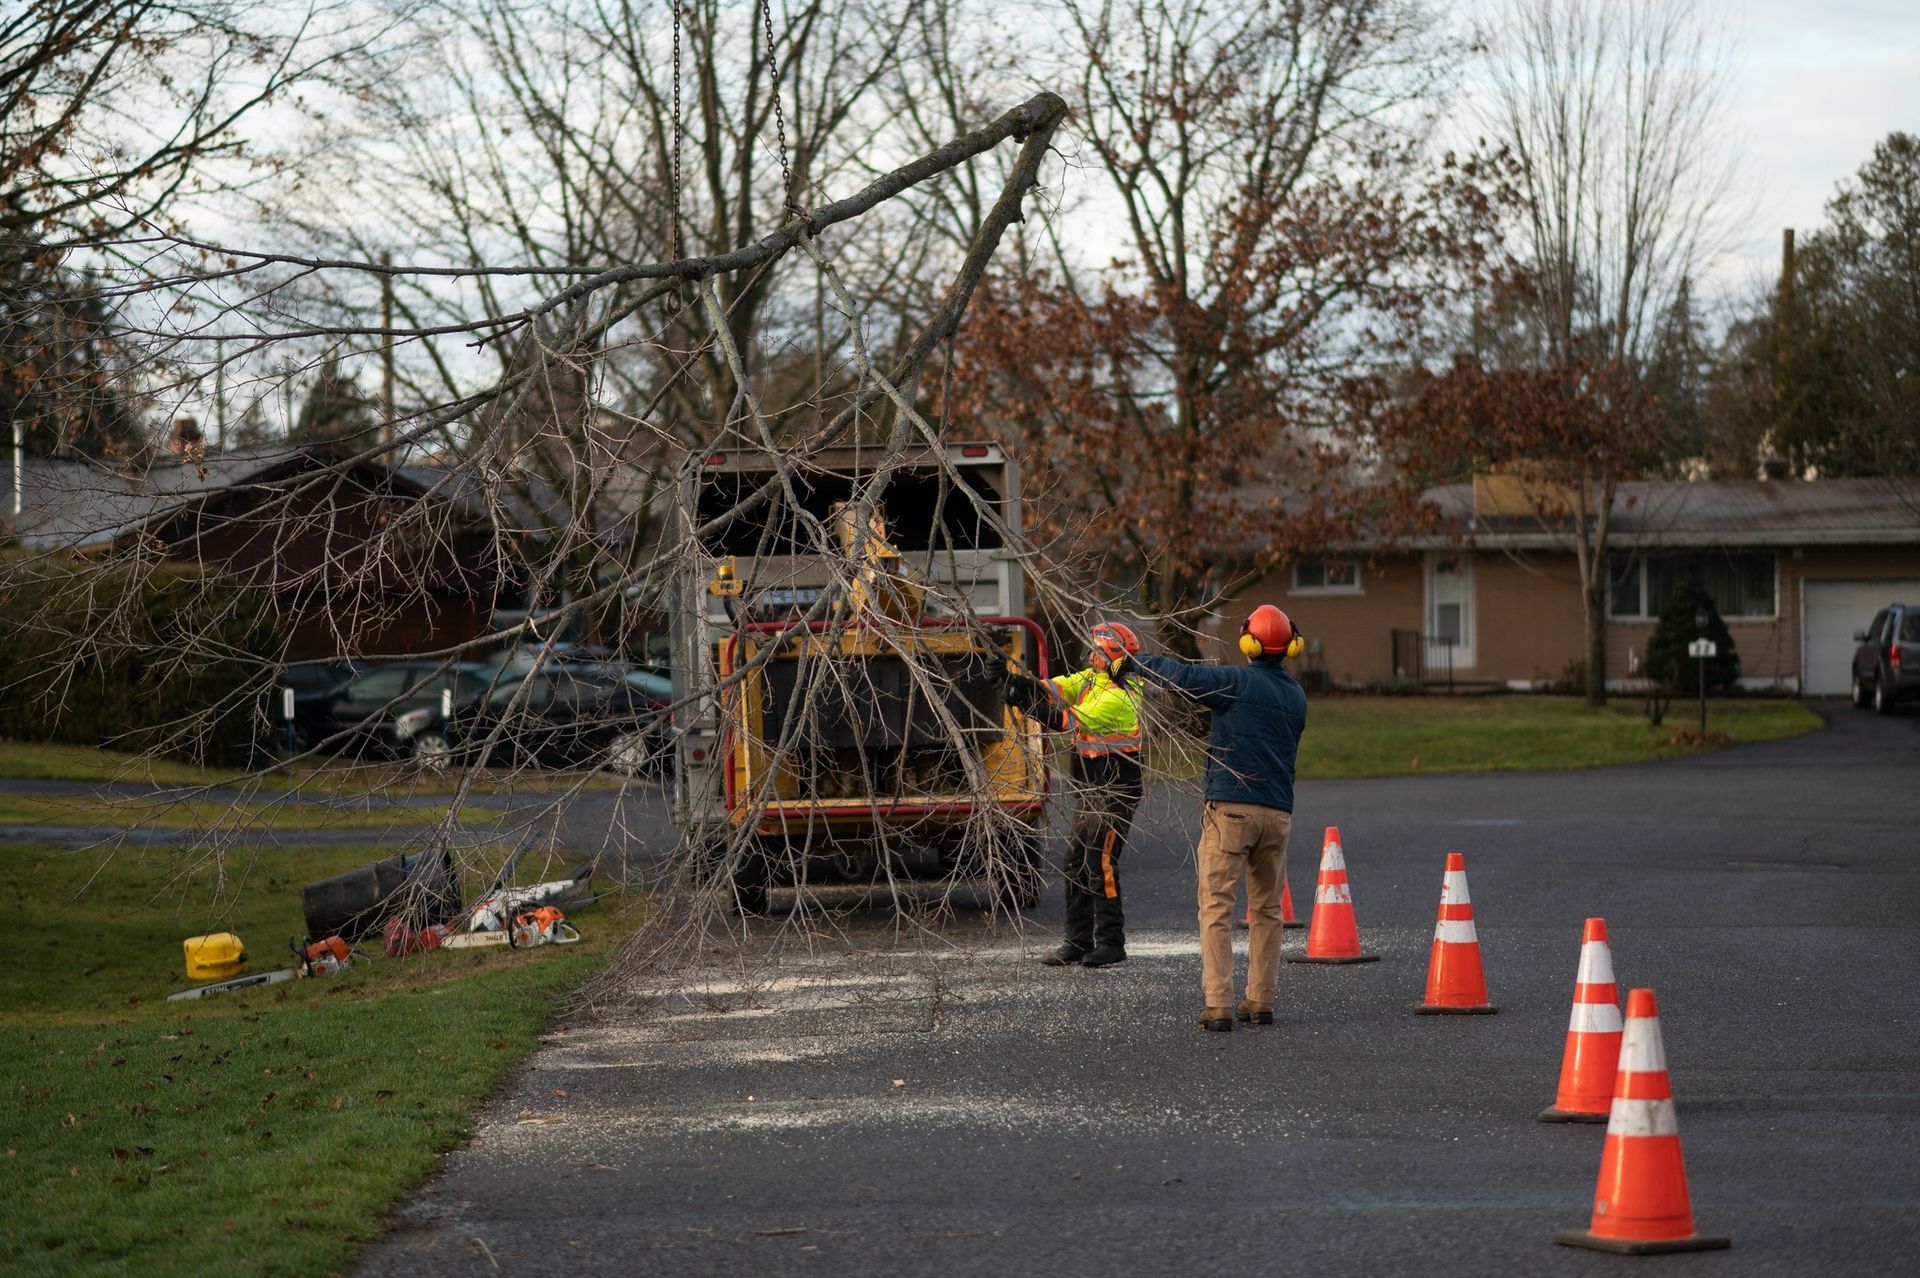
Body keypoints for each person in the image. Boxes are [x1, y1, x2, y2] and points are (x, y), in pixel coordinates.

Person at [1122, 605, 1306, 1031]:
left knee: (1217, 908)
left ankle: (1219, 1004)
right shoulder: (1297, 695)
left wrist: (1132, 662)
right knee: (1266, 911)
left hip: (1232, 810)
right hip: (1277, 814)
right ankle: (1260, 1001)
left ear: (1250, 643)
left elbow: (1182, 677)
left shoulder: (1234, 682)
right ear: (1289, 645)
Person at [1004, 621, 1146, 968]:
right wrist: (1017, 682)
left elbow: (1068, 720)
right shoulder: (1091, 679)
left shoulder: (1123, 695)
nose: (1090, 655)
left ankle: (1112, 943)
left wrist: (1027, 706)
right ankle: (1077, 941)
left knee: (1100, 863)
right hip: (1090, 790)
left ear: (1106, 656)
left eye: (1095, 651)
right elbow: (1055, 687)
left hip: (1115, 792)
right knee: (1075, 864)